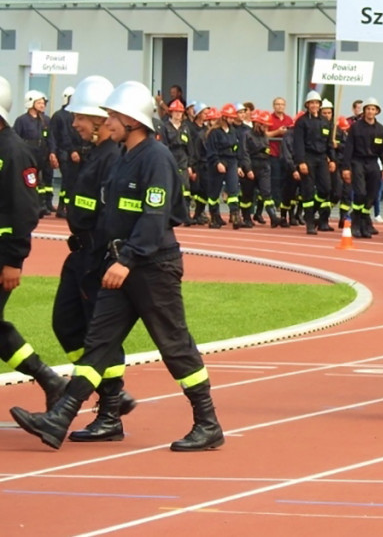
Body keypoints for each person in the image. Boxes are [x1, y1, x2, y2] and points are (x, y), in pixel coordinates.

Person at [11, 81, 224, 451]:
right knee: (98, 343)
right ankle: (63, 415)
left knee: (174, 345)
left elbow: (154, 217)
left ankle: (208, 423)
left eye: (111, 115)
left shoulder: (156, 158)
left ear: (130, 119)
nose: (106, 121)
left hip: (152, 267)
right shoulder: (125, 156)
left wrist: (126, 259)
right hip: (120, 264)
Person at [49, 75, 140, 442]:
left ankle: (110, 410)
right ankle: (109, 392)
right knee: (66, 324)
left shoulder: (112, 160)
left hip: (97, 258)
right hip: (80, 254)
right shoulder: (93, 155)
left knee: (101, 336)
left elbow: (112, 216)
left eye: (80, 118)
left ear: (101, 120)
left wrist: (106, 258)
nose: (75, 125)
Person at [0, 76, 68, 411]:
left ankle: (50, 381)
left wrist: (14, 260)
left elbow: (25, 212)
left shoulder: (14, 152)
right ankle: (50, 380)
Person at [342, 97, 383, 238]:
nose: (370, 111)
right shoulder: (356, 127)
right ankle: (356, 223)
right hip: (357, 161)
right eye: (368, 109)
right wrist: (346, 167)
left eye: (373, 109)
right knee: (360, 193)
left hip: (373, 163)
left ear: (377, 111)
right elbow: (349, 148)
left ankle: (364, 222)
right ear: (364, 111)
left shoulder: (380, 129)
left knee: (372, 194)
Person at [293, 90, 333, 235]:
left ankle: (310, 211)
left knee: (326, 189)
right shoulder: (301, 122)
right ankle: (310, 222)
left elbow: (328, 143)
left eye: (317, 103)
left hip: (322, 158)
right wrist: (301, 162)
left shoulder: (325, 122)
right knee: (308, 191)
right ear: (307, 105)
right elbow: (298, 144)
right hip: (307, 158)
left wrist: (332, 159)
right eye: (312, 103)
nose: (314, 105)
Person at [15, 90, 57, 215]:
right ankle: (31, 205)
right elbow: (16, 138)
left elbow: (51, 138)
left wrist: (52, 152)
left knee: (43, 181)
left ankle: (42, 204)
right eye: (39, 103)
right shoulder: (22, 120)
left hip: (43, 155)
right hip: (29, 155)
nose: (42, 105)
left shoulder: (46, 120)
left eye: (43, 103)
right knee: (31, 180)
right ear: (30, 103)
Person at [204, 104, 244, 229]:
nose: (233, 120)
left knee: (233, 189)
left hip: (231, 161)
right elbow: (211, 151)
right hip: (218, 162)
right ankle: (214, 217)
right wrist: (217, 163)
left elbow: (237, 149)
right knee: (214, 192)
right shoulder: (214, 133)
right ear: (225, 117)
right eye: (230, 117)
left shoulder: (233, 132)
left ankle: (235, 215)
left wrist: (239, 166)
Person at [50, 86, 83, 218]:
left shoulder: (76, 114)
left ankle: (66, 206)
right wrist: (53, 153)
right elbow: (56, 136)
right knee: (67, 181)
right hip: (64, 153)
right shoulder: (59, 116)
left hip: (76, 152)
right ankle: (63, 207)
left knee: (73, 181)